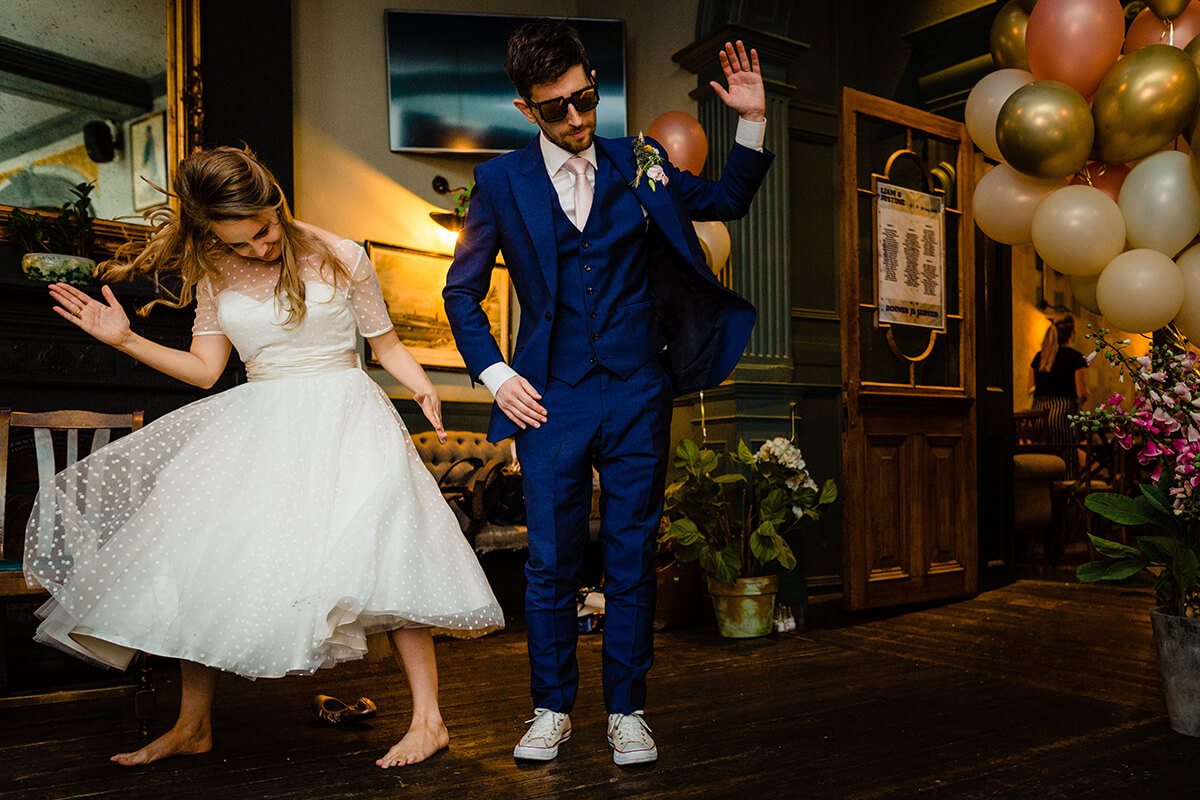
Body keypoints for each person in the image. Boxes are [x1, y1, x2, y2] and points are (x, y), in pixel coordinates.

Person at [26, 146, 503, 768]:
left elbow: (384, 344)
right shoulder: (216, 273)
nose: (258, 249)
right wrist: (126, 339)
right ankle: (193, 725)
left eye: (263, 231)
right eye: (239, 242)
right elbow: (204, 372)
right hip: (259, 424)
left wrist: (419, 382)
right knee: (204, 561)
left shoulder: (343, 256)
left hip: (347, 419)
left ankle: (429, 721)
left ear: (275, 201)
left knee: (387, 555)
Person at [443, 19, 772, 766]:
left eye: (586, 97)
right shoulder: (499, 183)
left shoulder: (640, 161)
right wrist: (498, 374)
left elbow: (726, 199)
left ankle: (628, 710)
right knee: (552, 563)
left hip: (637, 390)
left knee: (630, 554)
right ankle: (552, 708)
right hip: (550, 396)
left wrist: (751, 121)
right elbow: (461, 294)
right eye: (556, 107)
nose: (578, 118)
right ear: (526, 109)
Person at [1028, 313, 1089, 444]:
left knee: (1044, 458)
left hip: (1038, 417)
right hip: (1062, 416)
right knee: (1066, 454)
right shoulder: (1076, 358)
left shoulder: (1039, 357)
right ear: (1072, 333)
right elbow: (1082, 393)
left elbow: (1030, 388)